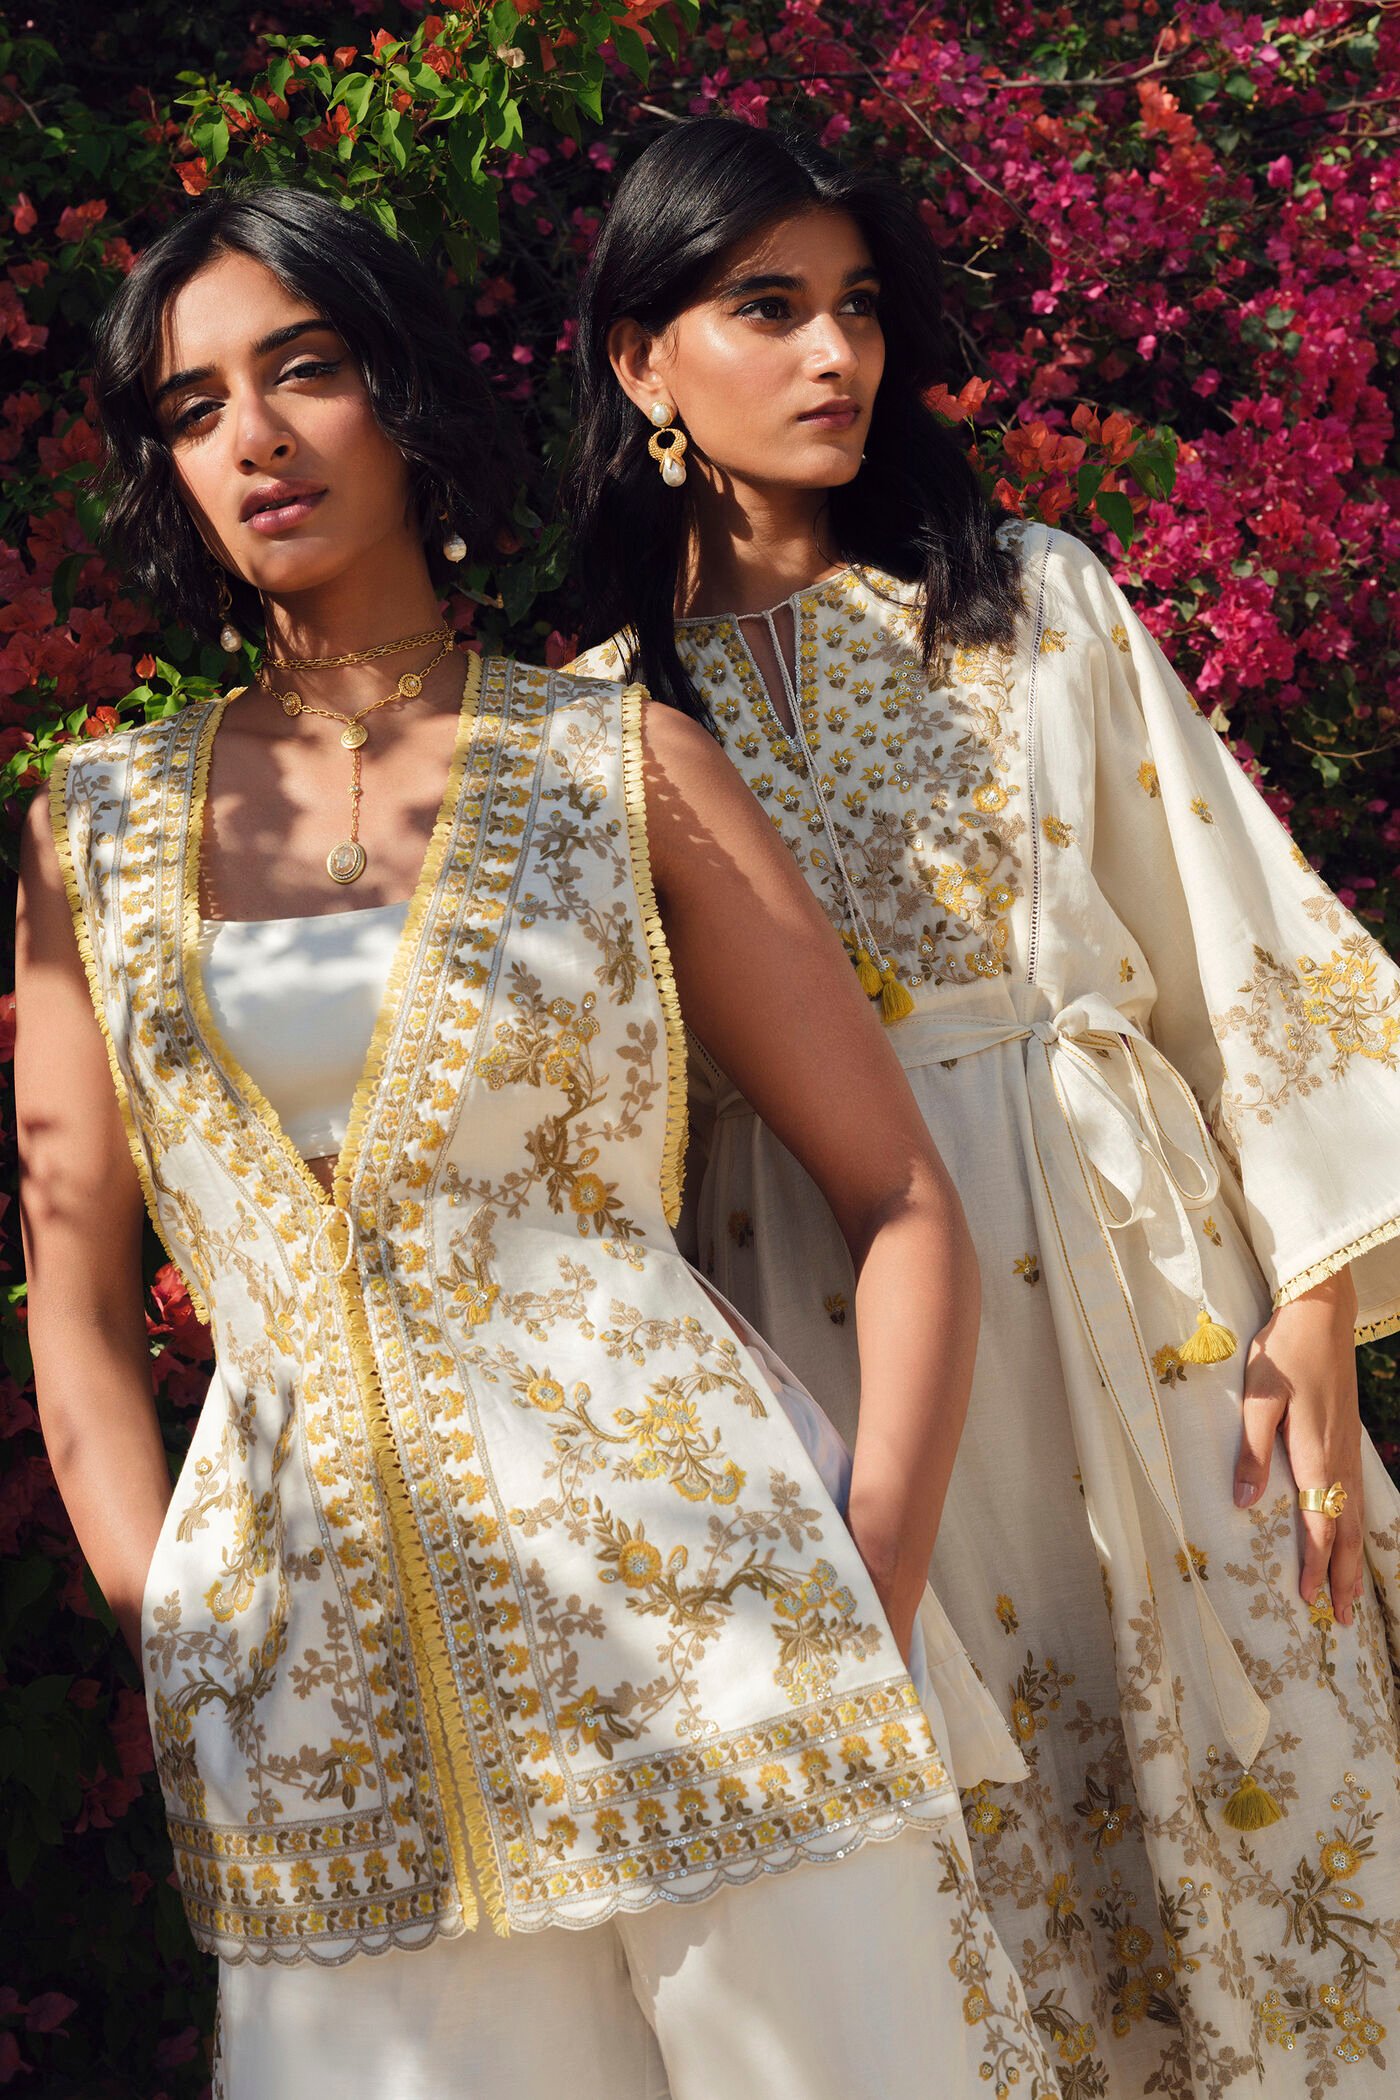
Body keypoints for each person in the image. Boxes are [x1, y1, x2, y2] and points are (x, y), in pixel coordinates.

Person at [14, 182, 1057, 2100]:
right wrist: (180, 1621)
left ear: (404, 398)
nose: (253, 437)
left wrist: (870, 1580)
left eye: (305, 370)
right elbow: (75, 1294)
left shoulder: (617, 764)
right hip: (312, 1692)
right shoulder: (93, 829)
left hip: (716, 1623)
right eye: (192, 406)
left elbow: (900, 1193)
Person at [565, 115, 1400, 2096]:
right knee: (977, 1911)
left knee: (1276, 1816)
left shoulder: (1030, 600)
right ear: (639, 359)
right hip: (830, 1333)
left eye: (858, 308)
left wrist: (1313, 1309)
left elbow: (1230, 932)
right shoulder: (592, 721)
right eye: (767, 309)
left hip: (1148, 1296)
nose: (832, 354)